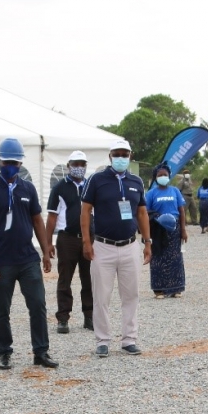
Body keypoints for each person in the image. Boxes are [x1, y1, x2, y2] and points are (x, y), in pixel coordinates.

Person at [0, 138, 57, 370]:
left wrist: (44, 251)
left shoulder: (28, 188)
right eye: (7, 162)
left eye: (15, 162)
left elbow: (36, 221)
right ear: (0, 161)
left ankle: (40, 352)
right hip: (2, 261)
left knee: (38, 305)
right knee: (2, 308)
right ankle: (4, 352)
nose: (11, 166)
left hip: (27, 259)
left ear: (21, 163)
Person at [81, 139, 151, 357]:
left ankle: (129, 339)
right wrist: (86, 241)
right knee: (101, 296)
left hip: (130, 246)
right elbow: (85, 211)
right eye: (117, 154)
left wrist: (148, 242)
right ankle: (102, 340)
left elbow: (141, 213)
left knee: (131, 295)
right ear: (110, 156)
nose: (121, 158)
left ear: (130, 156)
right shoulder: (96, 180)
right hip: (103, 246)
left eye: (125, 154)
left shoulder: (136, 181)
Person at [46, 151, 92, 334]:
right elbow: (51, 217)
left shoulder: (90, 186)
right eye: (76, 164)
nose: (79, 168)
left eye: (82, 164)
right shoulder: (59, 188)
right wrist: (48, 243)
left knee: (89, 279)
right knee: (65, 279)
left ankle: (89, 317)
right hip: (67, 239)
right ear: (68, 165)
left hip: (89, 238)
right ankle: (63, 319)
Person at [145, 162, 187, 299]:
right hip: (158, 230)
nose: (163, 176)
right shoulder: (151, 193)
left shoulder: (175, 191)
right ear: (156, 177)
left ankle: (176, 288)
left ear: (169, 176)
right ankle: (159, 289)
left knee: (175, 258)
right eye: (160, 175)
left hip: (174, 229)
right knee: (158, 257)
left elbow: (181, 210)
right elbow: (145, 212)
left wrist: (183, 230)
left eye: (165, 175)